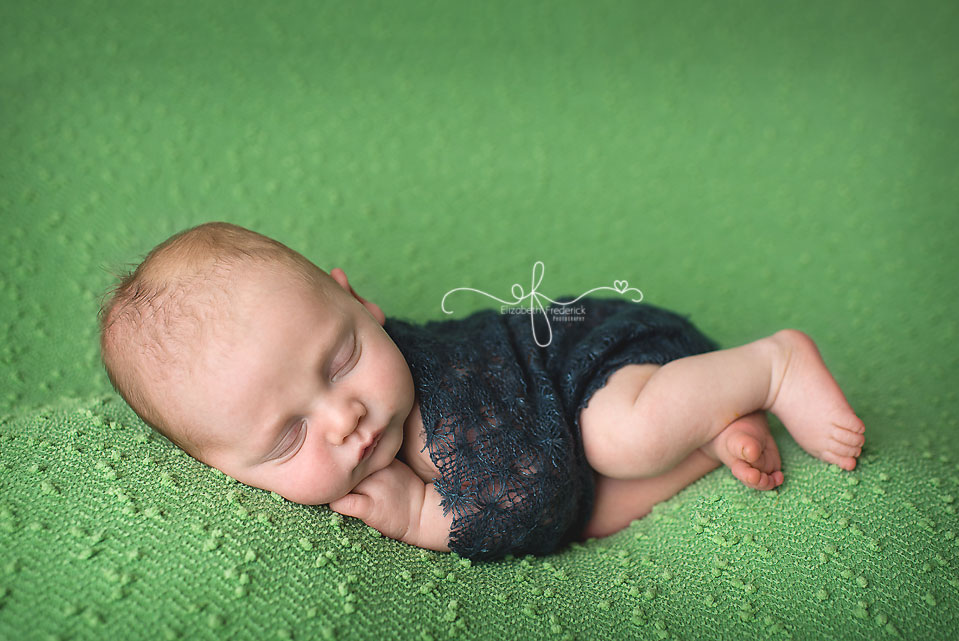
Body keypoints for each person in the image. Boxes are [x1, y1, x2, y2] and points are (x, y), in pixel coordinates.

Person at [97, 222, 865, 561]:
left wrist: (423, 516)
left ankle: (771, 366)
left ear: (360, 302)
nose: (344, 416)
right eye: (289, 438)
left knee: (615, 440)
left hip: (599, 357)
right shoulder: (363, 412)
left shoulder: (438, 408)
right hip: (565, 431)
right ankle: (710, 426)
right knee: (597, 514)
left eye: (340, 362)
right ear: (228, 471)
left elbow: (536, 492)